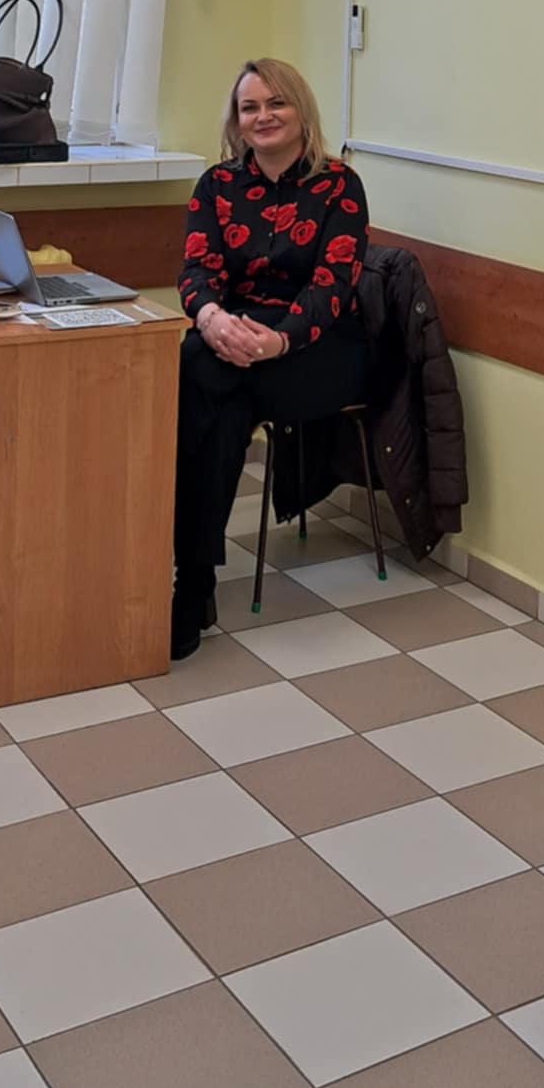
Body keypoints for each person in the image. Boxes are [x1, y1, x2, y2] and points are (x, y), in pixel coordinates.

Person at [172, 59, 370, 660]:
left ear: (300, 109)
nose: (263, 117)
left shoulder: (340, 185)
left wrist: (277, 341)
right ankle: (193, 576)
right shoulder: (217, 185)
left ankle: (192, 583)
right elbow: (196, 271)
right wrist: (212, 320)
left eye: (275, 103)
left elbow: (333, 285)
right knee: (202, 367)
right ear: (237, 120)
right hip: (236, 335)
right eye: (250, 107)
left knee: (217, 388)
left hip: (320, 347)